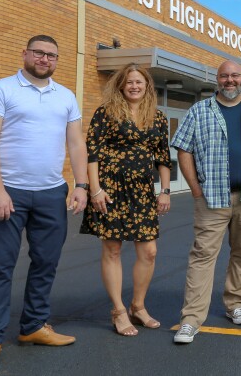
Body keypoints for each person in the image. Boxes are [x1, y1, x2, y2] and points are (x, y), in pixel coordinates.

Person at [0, 35, 88, 372]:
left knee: (46, 262)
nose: (45, 59)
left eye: (52, 55)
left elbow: (77, 144)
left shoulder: (65, 96)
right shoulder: (1, 89)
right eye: (39, 52)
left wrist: (81, 185)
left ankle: (34, 326)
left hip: (52, 193)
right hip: (8, 192)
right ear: (25, 53)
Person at [170, 60, 241, 344]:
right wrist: (196, 189)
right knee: (202, 256)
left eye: (235, 76)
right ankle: (191, 319)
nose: (230, 80)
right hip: (212, 198)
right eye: (224, 76)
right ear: (216, 79)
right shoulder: (199, 111)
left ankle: (235, 304)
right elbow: (183, 148)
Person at [79, 64, 172, 336]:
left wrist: (164, 190)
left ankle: (138, 306)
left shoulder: (157, 117)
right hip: (110, 189)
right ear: (121, 85)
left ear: (147, 86)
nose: (134, 86)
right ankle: (119, 310)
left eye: (139, 82)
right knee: (113, 249)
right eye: (129, 82)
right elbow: (92, 152)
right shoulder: (106, 112)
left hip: (142, 190)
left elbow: (163, 157)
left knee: (149, 252)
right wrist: (95, 190)